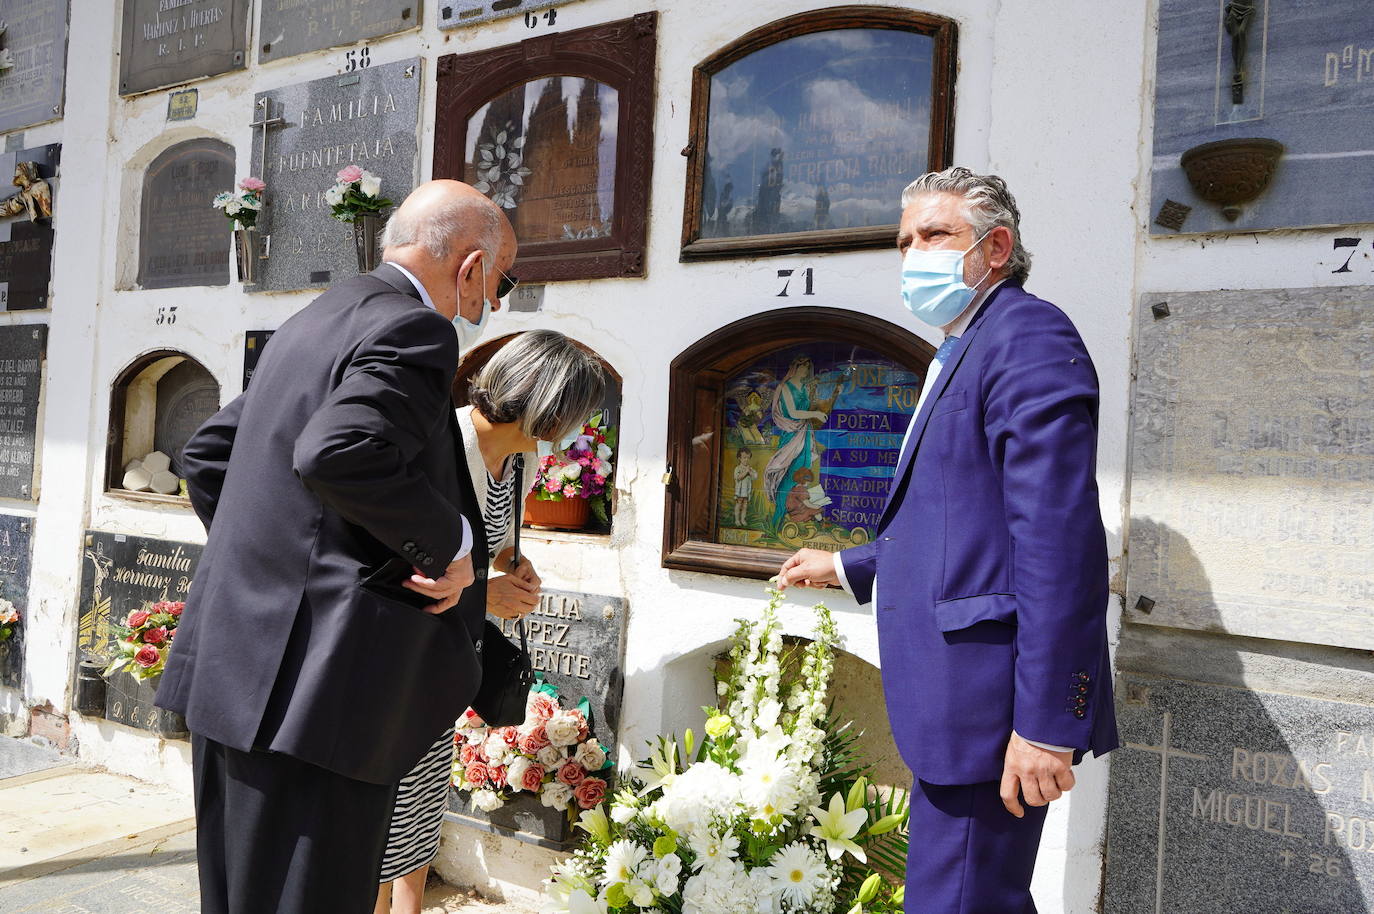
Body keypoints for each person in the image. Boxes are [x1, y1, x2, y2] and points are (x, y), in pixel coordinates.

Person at [157, 180, 517, 914]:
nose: (498, 301)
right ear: (472, 264)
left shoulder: (316, 318)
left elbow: (209, 454)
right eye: (504, 279)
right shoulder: (416, 330)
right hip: (321, 695)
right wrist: (448, 541)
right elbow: (337, 451)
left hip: (237, 671)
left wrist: (274, 570)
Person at [778, 166, 1118, 912]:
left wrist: (1046, 723)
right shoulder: (965, 344)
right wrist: (845, 563)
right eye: (904, 241)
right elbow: (958, 516)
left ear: (996, 247)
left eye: (935, 235)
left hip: (993, 711)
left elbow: (1060, 545)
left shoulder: (1026, 336)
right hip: (956, 703)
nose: (913, 255)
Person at [375, 330, 606, 914]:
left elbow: (489, 540)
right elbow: (405, 563)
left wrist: (513, 565)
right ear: (548, 404)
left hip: (445, 660)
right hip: (398, 659)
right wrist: (487, 593)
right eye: (576, 410)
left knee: (422, 809)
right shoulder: (438, 444)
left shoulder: (520, 457)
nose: (577, 426)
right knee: (383, 819)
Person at [732, 447, 757, 526]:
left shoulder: (749, 469)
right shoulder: (738, 468)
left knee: (745, 505)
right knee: (738, 504)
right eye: (744, 458)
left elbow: (755, 477)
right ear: (739, 458)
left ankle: (743, 519)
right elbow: (738, 477)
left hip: (746, 491)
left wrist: (750, 472)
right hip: (739, 491)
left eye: (748, 458)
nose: (746, 460)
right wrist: (746, 472)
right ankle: (737, 520)